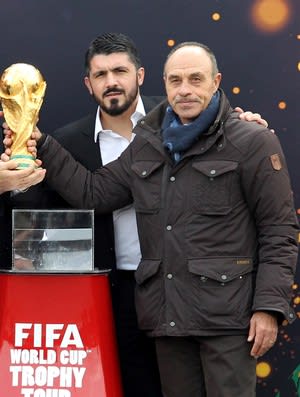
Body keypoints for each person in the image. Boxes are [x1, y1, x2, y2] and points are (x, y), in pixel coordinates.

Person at [1, 38, 279, 397]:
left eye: (196, 79)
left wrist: (268, 307)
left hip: (225, 313)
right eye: (176, 81)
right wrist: (36, 140)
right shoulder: (147, 140)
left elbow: (277, 228)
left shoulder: (244, 137)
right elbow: (92, 193)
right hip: (156, 310)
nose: (185, 90)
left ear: (216, 81)